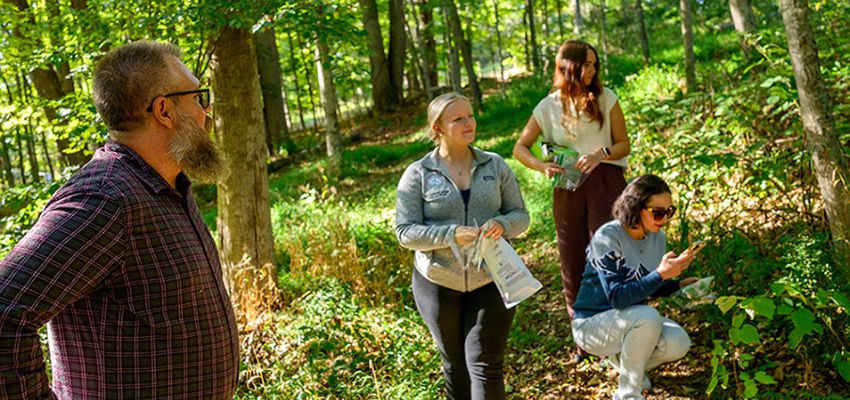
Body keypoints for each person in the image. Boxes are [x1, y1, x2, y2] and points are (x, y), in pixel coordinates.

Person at [0, 41, 238, 398]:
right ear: (164, 110)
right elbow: (5, 313)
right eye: (198, 97)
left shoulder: (165, 187)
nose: (207, 109)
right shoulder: (106, 200)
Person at [395, 92, 530, 399]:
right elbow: (404, 233)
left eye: (470, 115)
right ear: (438, 127)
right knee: (455, 365)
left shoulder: (495, 166)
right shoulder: (417, 174)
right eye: (458, 119)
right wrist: (450, 234)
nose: (469, 122)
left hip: (493, 277)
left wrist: (502, 225)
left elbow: (521, 216)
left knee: (486, 365)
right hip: (438, 282)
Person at [512, 39, 630, 342]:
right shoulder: (547, 106)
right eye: (586, 64)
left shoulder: (606, 98)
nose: (592, 70)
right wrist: (541, 166)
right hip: (568, 186)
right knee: (572, 255)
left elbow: (623, 145)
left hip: (606, 182)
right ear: (570, 67)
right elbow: (520, 147)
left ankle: (617, 330)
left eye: (594, 64)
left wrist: (600, 153)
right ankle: (584, 334)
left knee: (607, 253)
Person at [571, 175, 699, 400]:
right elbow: (618, 298)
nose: (665, 218)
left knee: (679, 342)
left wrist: (676, 284)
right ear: (636, 207)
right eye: (658, 212)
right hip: (592, 324)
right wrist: (660, 274)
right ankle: (628, 393)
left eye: (670, 211)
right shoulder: (608, 237)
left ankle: (629, 366)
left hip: (630, 319)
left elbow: (646, 283)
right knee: (648, 316)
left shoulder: (657, 237)